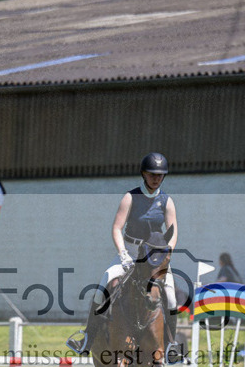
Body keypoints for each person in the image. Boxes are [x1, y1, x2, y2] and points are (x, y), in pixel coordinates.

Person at [67, 152, 179, 355]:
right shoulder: (130, 197)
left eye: (160, 175)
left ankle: (171, 344)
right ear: (144, 174)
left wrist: (165, 254)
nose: (156, 178)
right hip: (131, 250)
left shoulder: (167, 201)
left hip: (155, 256)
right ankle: (88, 337)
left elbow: (173, 233)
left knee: (171, 297)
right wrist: (124, 253)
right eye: (152, 174)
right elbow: (116, 228)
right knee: (104, 284)